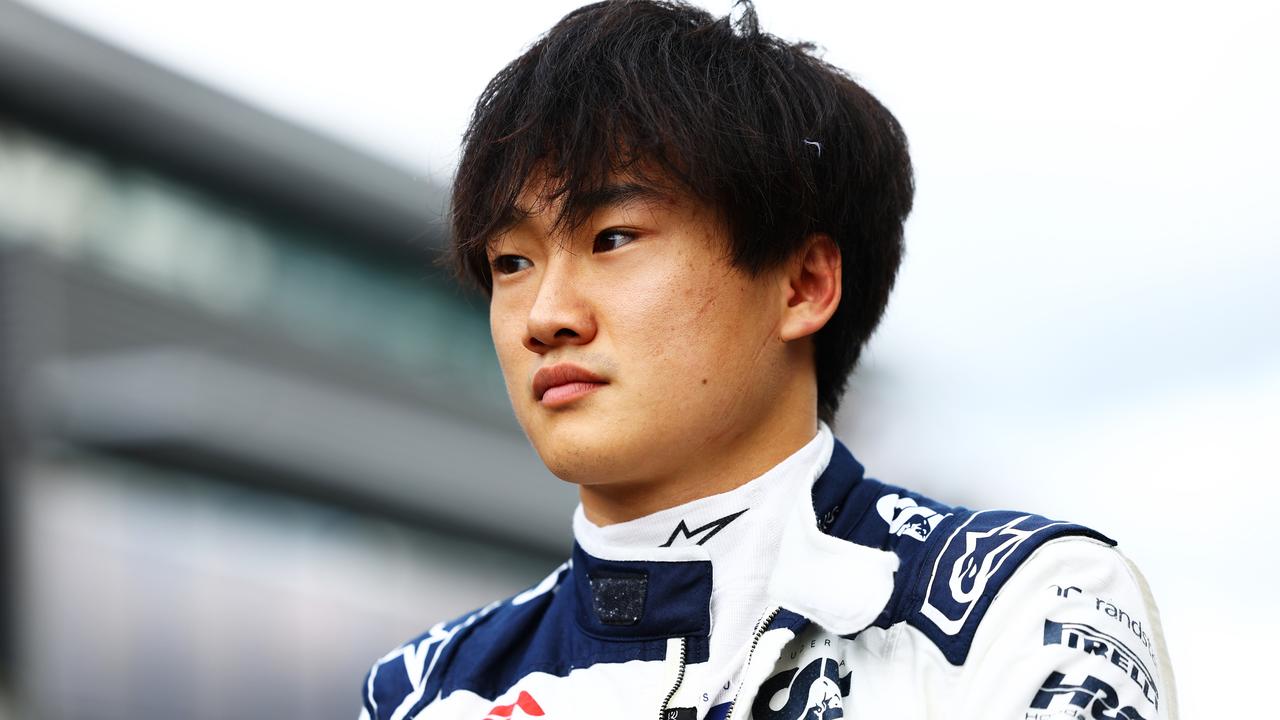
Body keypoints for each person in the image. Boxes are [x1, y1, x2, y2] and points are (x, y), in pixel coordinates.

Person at [359, 1, 1177, 718]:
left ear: (803, 284)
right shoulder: (428, 691)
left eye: (613, 238)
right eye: (510, 263)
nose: (544, 317)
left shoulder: (1017, 606)